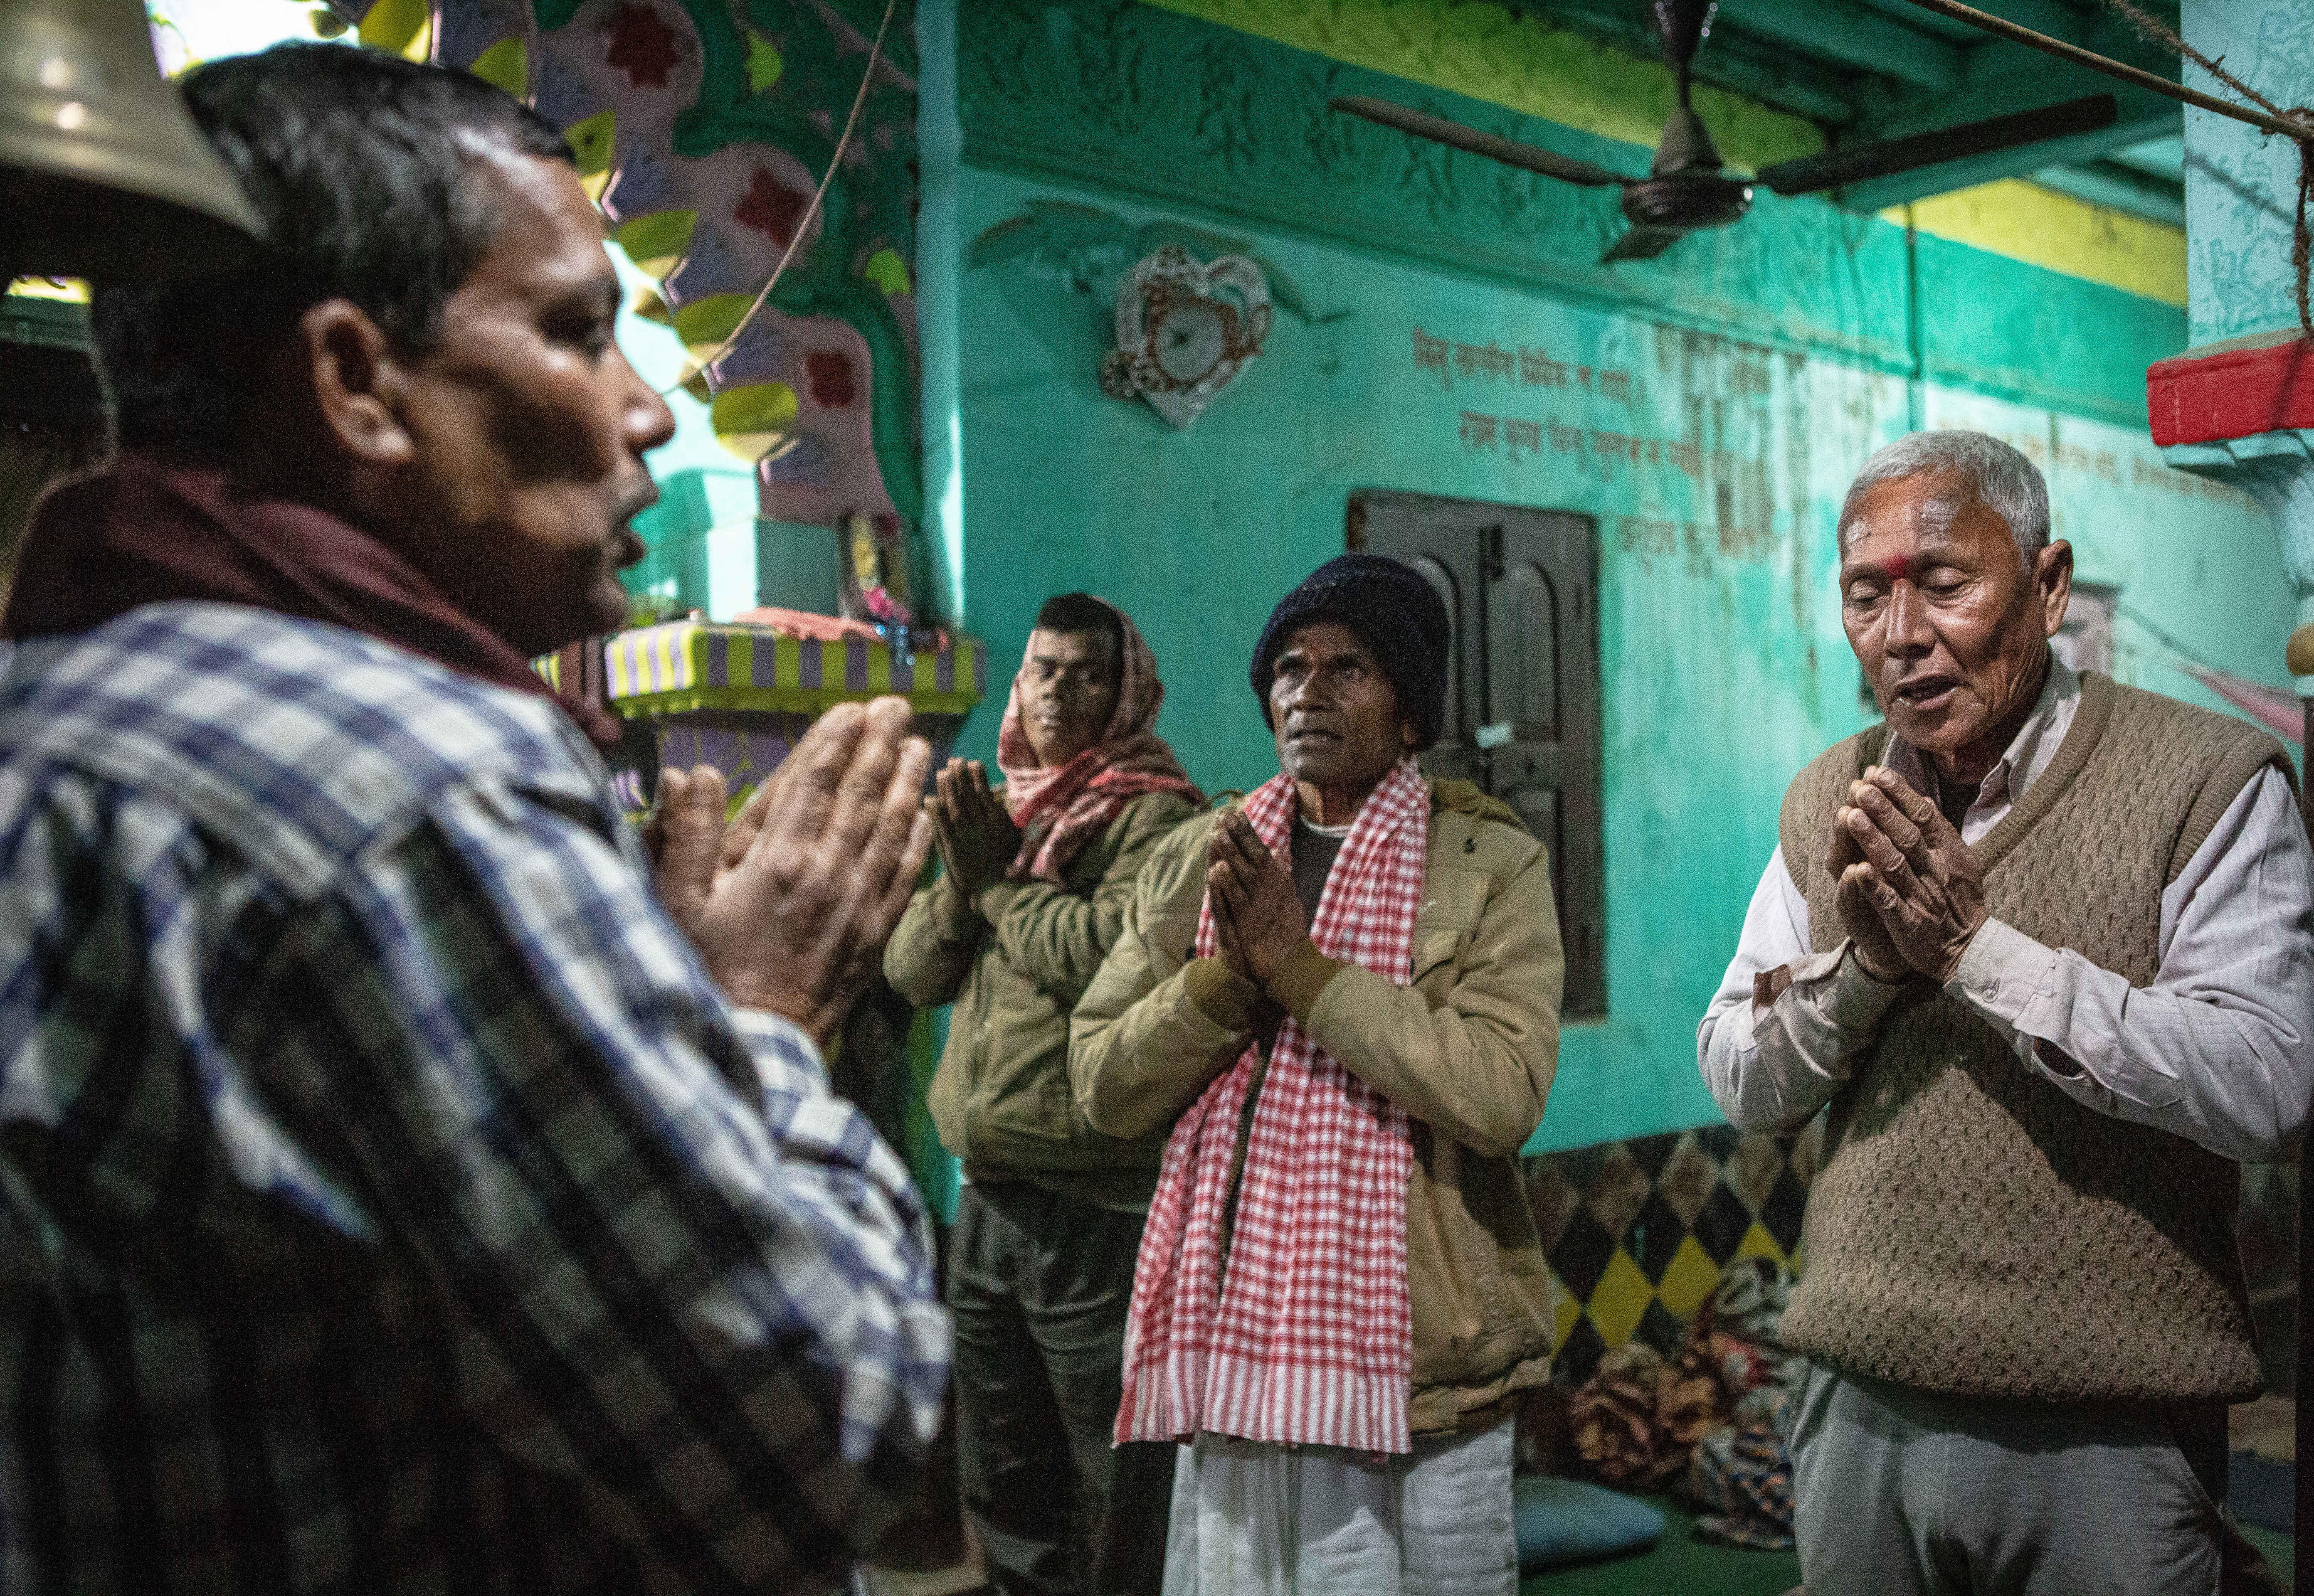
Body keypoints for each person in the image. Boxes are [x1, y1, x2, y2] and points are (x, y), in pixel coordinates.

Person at [0, 46, 948, 1594]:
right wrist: (763, 1021)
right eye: (581, 333)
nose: (648, 413)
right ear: (356, 383)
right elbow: (822, 1436)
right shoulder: (414, 787)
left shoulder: (60, 710)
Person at [1697, 430, 2314, 1596]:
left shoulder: (2206, 780)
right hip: (1858, 1407)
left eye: (1944, 585)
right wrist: (1870, 974)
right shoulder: (1830, 798)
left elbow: (2268, 1080)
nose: (1901, 636)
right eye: (1865, 595)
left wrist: (1978, 955)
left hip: (2104, 1433)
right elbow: (1740, 1074)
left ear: (2046, 584)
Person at [1069, 553, 1564, 1596]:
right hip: (1237, 1354)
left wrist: (1300, 971)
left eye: (1350, 669)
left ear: (1413, 714)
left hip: (1427, 1378)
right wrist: (1225, 987)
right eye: (1289, 669)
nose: (1309, 691)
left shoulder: (1485, 863)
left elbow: (1500, 1091)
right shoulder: (1207, 860)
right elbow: (1104, 1084)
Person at [883, 593, 1203, 1596]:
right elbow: (910, 974)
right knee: (1004, 1487)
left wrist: (997, 887)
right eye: (1044, 669)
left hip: (1094, 1211)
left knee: (1115, 1491)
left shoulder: (1158, 816)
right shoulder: (1009, 811)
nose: (1060, 690)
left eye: (1086, 673)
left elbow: (1109, 962)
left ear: (1127, 693)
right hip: (986, 1200)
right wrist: (964, 881)